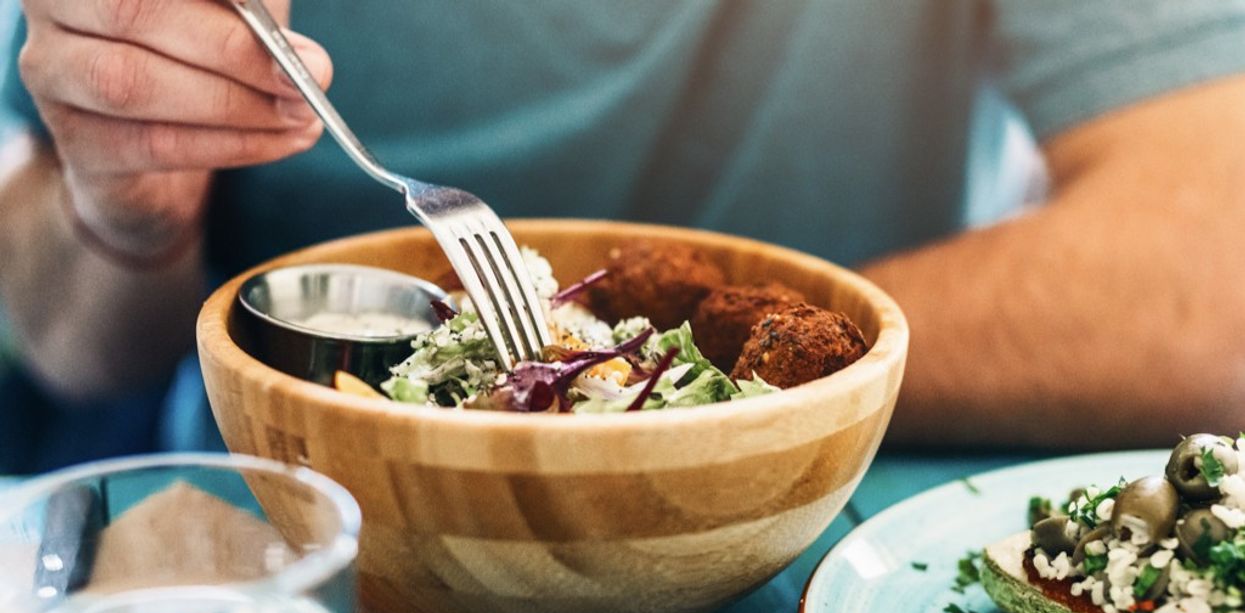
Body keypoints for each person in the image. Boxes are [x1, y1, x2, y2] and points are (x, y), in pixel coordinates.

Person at [0, 0, 1242, 461]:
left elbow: (1208, 278)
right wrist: (128, 206)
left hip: (805, 530)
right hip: (277, 527)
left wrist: (713, 408)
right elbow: (64, 341)